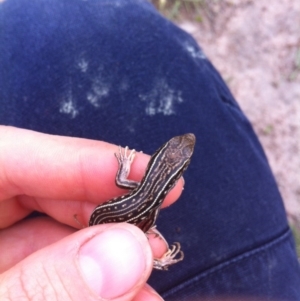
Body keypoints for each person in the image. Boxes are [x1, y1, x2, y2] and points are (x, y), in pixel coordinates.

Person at [1, 0, 299, 300]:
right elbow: (129, 201)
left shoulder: (145, 191)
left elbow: (122, 184)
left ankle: (146, 259)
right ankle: (150, 260)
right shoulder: (150, 199)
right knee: (139, 242)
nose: (185, 142)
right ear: (164, 165)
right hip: (106, 231)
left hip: (102, 225)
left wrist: (123, 166)